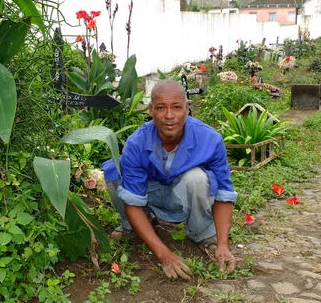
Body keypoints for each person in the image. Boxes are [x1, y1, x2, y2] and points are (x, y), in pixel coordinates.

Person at [101, 79, 237, 280]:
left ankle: (204, 235)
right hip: (150, 195)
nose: (169, 116)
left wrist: (224, 245)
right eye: (161, 108)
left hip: (182, 193)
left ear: (187, 108)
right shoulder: (137, 142)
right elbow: (132, 200)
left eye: (176, 107)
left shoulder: (210, 139)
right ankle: (135, 226)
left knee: (197, 178)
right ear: (150, 110)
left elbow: (225, 193)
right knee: (114, 170)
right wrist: (164, 255)